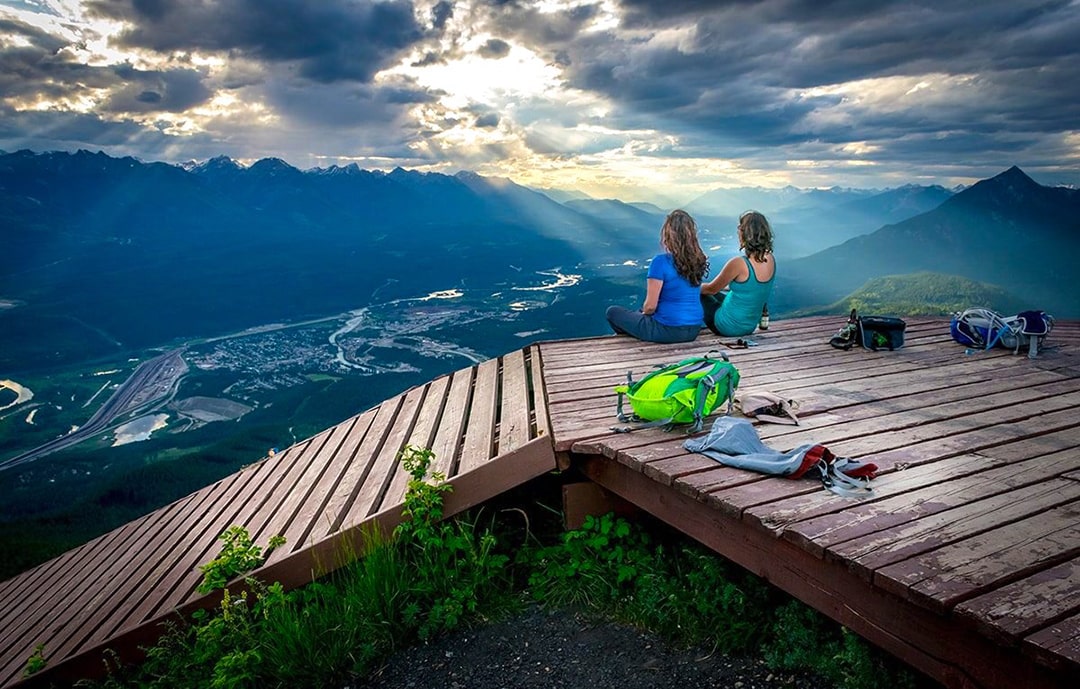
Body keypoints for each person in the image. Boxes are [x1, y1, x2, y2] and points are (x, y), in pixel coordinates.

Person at [605, 209, 709, 344]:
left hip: (667, 329)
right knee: (639, 313)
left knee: (612, 312)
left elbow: (650, 307)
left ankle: (635, 339)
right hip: (694, 329)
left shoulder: (660, 262)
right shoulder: (698, 260)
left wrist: (644, 314)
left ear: (668, 235)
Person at [700, 210, 775, 337]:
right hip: (749, 326)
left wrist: (692, 286)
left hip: (727, 326)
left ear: (745, 234)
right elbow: (749, 288)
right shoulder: (771, 259)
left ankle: (681, 328)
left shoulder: (738, 263)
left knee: (698, 294)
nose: (738, 231)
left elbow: (711, 289)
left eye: (740, 229)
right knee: (715, 294)